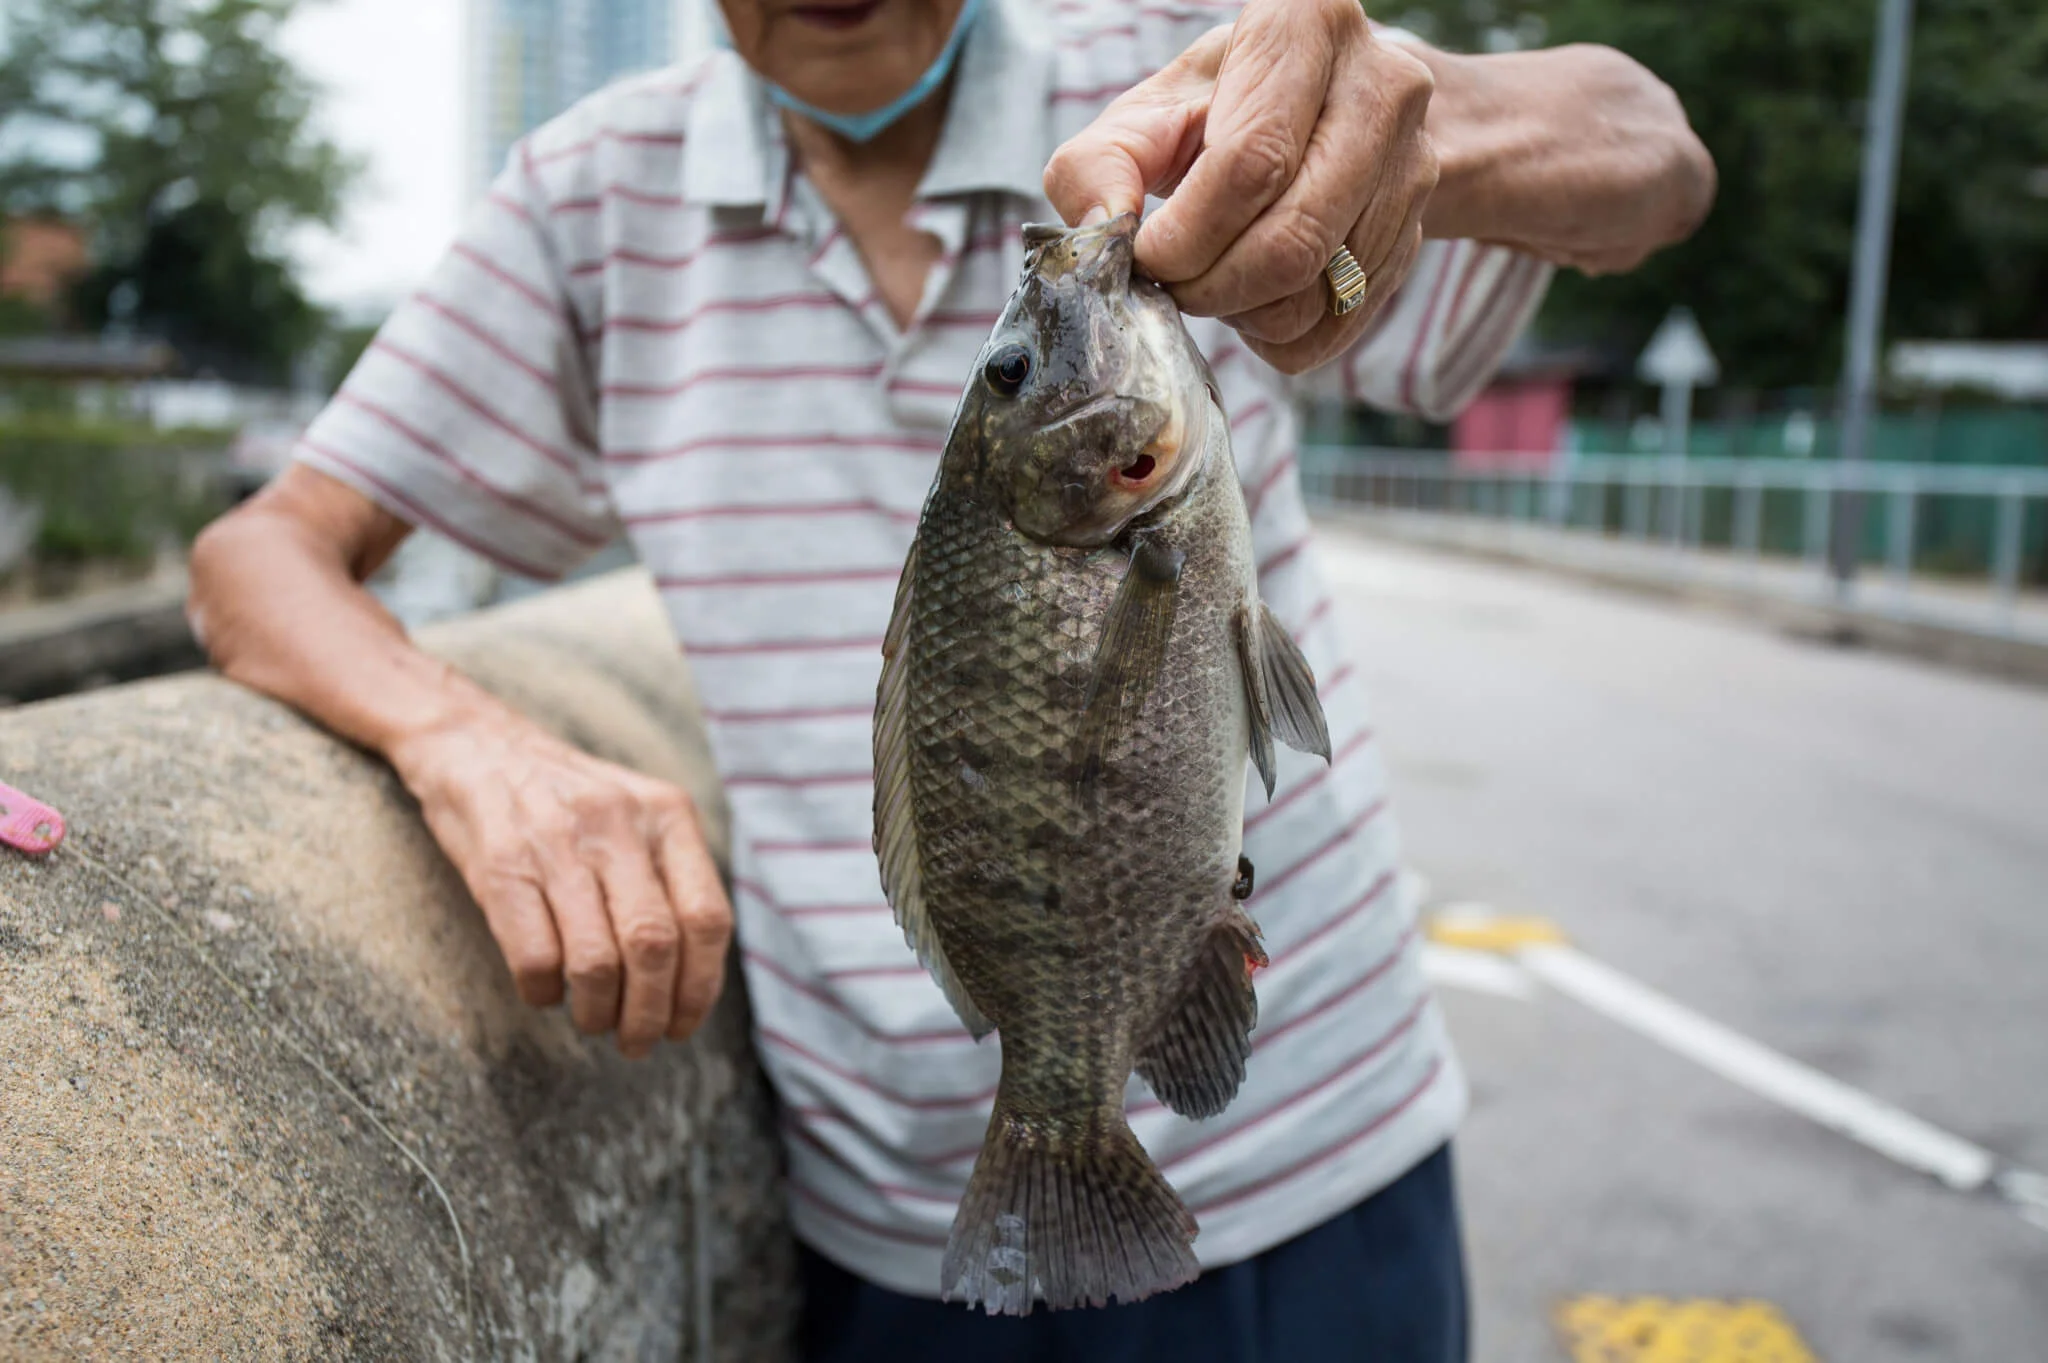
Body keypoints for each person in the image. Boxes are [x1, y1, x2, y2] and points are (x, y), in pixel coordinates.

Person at [187, 0, 1713, 1357]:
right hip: (897, 1232)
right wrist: (476, 748)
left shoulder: (1182, 86)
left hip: (1322, 1173)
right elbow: (259, 558)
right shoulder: (587, 204)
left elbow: (1655, 159)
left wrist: (1411, 113)